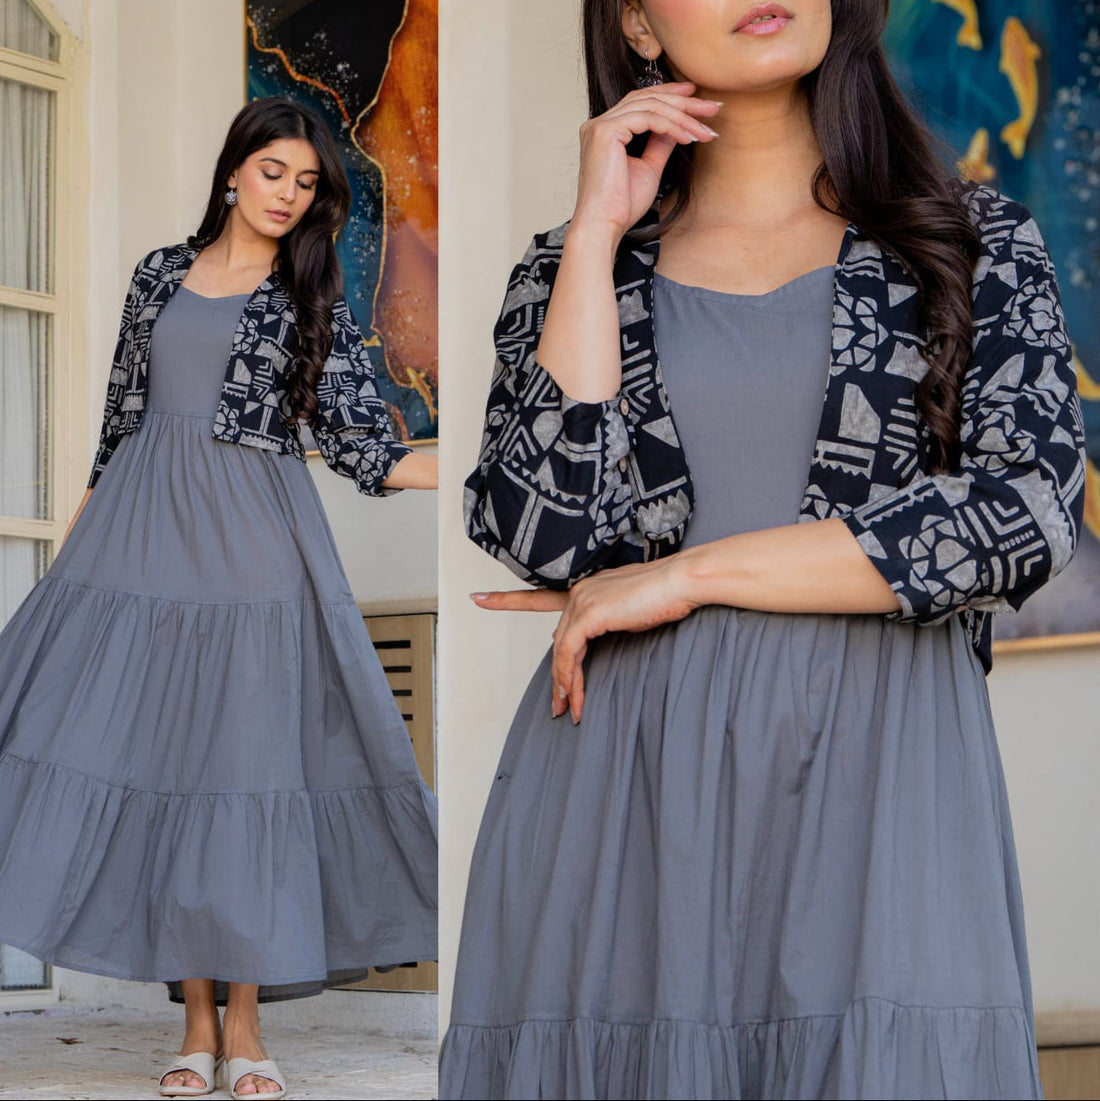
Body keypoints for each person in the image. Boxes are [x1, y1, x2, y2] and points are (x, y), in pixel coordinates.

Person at [441, 1, 1086, 1098]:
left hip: (886, 773)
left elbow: (1019, 514)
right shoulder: (570, 265)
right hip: (621, 783)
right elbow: (540, 529)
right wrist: (594, 238)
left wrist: (691, 571)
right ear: (638, 27)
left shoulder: (969, 238)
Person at [0, 97, 438, 1099]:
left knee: (245, 780)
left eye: (307, 182)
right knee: (162, 771)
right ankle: (192, 1025)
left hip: (253, 550)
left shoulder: (311, 293)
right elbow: (118, 424)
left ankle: (244, 1028)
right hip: (144, 540)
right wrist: (78, 556)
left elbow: (367, 447)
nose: (288, 194)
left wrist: (477, 474)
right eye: (274, 171)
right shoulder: (159, 272)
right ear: (234, 170)